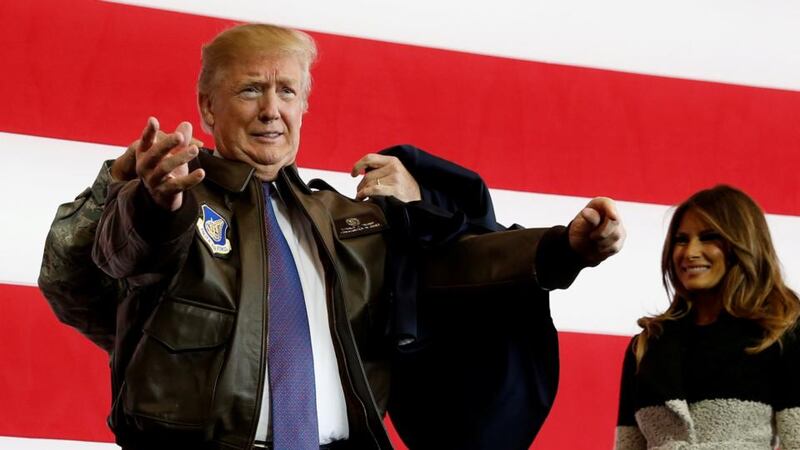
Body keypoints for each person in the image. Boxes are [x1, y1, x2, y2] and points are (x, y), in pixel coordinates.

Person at [40, 23, 626, 450]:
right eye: (250, 90)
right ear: (208, 107)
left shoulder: (347, 217)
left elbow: (452, 267)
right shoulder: (174, 195)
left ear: (304, 107)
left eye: (287, 91)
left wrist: (562, 249)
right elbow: (123, 252)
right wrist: (152, 199)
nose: (272, 110)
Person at [614, 185, 800, 450]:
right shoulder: (646, 345)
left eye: (709, 237)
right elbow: (627, 446)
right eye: (681, 239)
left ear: (743, 243)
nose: (690, 252)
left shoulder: (781, 330)